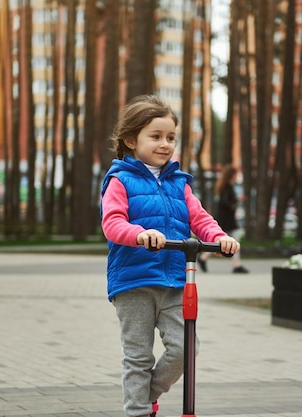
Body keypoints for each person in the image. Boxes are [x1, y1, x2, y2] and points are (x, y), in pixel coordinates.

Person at [100, 95, 241, 417]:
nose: (165, 144)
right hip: (134, 280)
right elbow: (113, 223)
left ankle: (148, 393)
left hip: (176, 279)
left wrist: (219, 238)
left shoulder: (180, 183)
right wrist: (139, 234)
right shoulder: (120, 180)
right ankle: (138, 411)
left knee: (185, 349)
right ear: (131, 140)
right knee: (138, 356)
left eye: (170, 137)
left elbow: (200, 218)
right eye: (156, 136)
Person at [197, 164, 249, 274]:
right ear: (232, 175)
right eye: (236, 174)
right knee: (230, 241)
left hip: (226, 220)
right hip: (226, 220)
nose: (237, 176)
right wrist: (236, 199)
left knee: (224, 242)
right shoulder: (227, 187)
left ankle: (204, 258)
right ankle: (236, 265)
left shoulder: (226, 186)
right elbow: (226, 202)